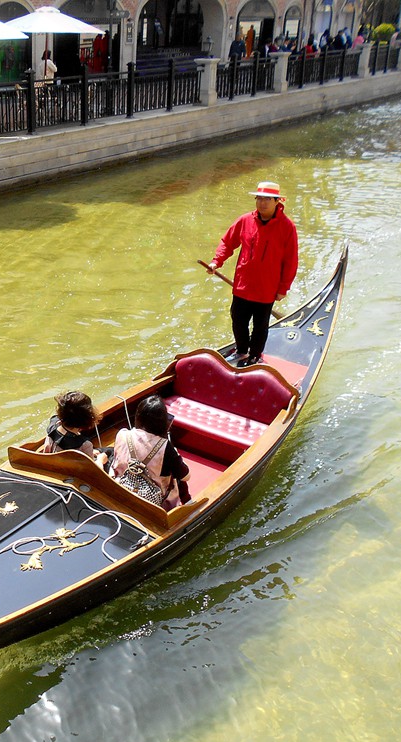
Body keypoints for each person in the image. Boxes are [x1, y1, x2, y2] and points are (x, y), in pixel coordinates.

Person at [206, 181, 298, 367]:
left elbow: (290, 261)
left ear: (277, 202)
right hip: (243, 284)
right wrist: (217, 261)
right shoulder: (245, 220)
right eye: (259, 198)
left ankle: (255, 355)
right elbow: (228, 242)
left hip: (267, 287)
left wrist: (283, 288)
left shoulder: (287, 227)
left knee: (260, 324)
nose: (262, 203)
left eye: (267, 199)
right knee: (237, 318)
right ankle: (241, 351)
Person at [109, 396, 190, 510]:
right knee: (176, 476)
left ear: (138, 416)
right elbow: (186, 476)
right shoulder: (165, 447)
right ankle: (188, 502)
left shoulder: (122, 434)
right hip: (151, 505)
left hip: (121, 490)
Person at [42, 391, 109, 466]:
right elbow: (92, 472)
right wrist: (100, 460)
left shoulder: (52, 429)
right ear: (86, 418)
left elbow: (47, 453)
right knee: (108, 452)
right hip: (75, 472)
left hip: (56, 466)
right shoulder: (84, 445)